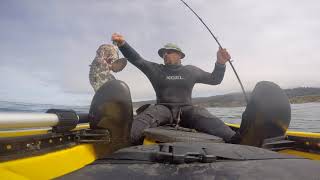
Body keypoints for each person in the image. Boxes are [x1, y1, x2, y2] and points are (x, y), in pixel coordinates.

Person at [112, 33, 236, 145]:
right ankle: (119, 144)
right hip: (162, 109)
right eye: (163, 53)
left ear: (180, 55)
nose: (165, 55)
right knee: (140, 123)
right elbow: (137, 60)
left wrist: (220, 63)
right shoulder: (156, 69)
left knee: (206, 117)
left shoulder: (190, 70)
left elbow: (214, 79)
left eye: (169, 52)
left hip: (187, 110)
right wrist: (123, 44)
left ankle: (238, 141)